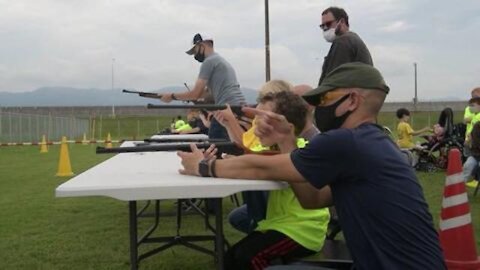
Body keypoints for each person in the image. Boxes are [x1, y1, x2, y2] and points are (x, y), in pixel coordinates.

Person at [177, 63, 446, 269]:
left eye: (324, 100)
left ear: (352, 100)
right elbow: (312, 198)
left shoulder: (346, 141)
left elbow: (263, 168)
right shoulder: (376, 144)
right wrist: (285, 139)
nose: (316, 109)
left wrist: (204, 166)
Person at [208, 90, 330, 269]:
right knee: (231, 257)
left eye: (263, 119)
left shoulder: (302, 150)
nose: (256, 125)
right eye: (256, 119)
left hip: (302, 231)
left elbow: (257, 165)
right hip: (281, 225)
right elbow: (252, 157)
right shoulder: (271, 149)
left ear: (285, 124)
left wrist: (205, 165)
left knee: (247, 258)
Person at [159, 33, 246, 140]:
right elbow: (206, 93)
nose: (195, 55)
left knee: (215, 146)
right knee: (233, 144)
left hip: (225, 109)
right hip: (238, 106)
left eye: (195, 50)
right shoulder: (221, 61)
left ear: (201, 45)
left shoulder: (208, 62)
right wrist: (191, 97)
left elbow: (196, 94)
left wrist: (171, 96)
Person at [318, 7, 373, 86]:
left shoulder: (343, 41)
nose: (326, 28)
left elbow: (334, 80)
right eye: (323, 26)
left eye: (328, 24)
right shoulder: (353, 39)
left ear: (342, 22)